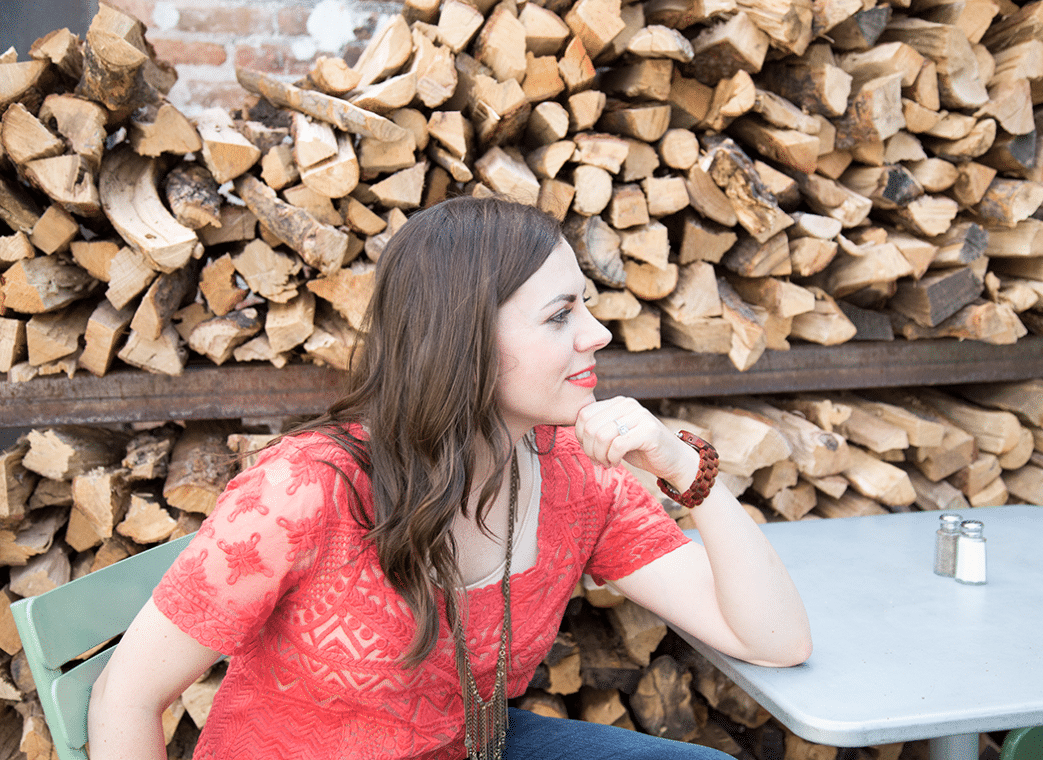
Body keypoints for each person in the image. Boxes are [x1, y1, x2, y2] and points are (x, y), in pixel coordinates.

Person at [87, 196, 811, 760]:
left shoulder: (573, 478)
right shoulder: (307, 492)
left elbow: (775, 638)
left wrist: (687, 467)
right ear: (463, 339)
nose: (598, 334)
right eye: (562, 314)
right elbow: (128, 694)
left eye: (585, 306)